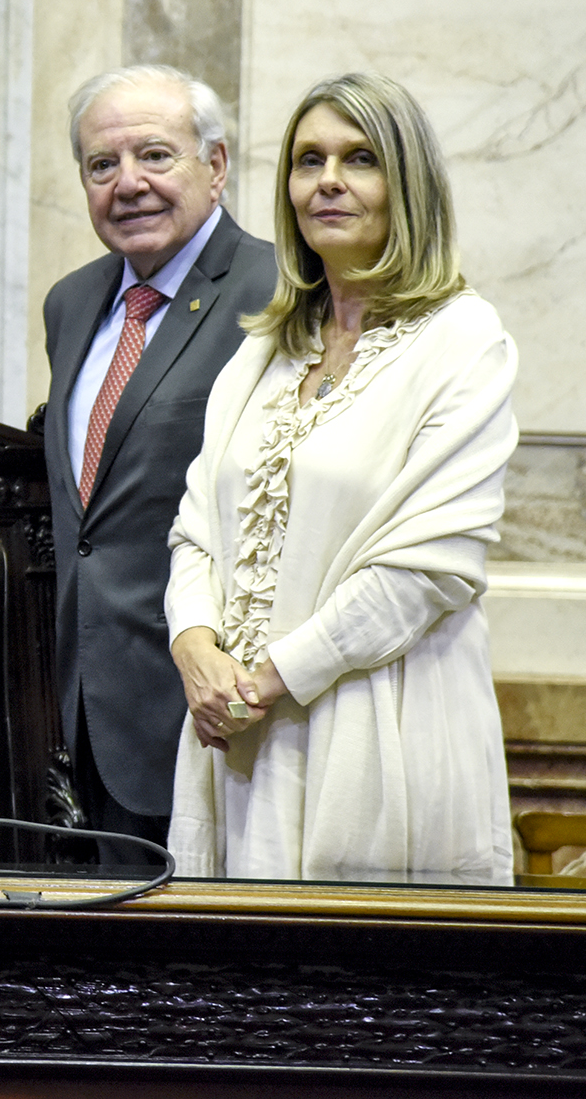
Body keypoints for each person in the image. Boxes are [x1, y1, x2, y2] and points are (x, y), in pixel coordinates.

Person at [166, 73, 516, 884]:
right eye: (308, 159)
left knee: (365, 1002)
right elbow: (196, 529)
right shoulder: (266, 348)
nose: (328, 180)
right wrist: (195, 649)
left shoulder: (463, 341)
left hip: (376, 726)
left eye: (360, 159)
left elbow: (430, 566)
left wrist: (265, 679)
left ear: (409, 185)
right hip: (235, 734)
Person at [42, 65, 278, 860]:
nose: (128, 184)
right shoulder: (72, 302)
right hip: (80, 712)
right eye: (102, 165)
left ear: (215, 166)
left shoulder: (279, 291)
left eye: (155, 155)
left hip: (212, 710)